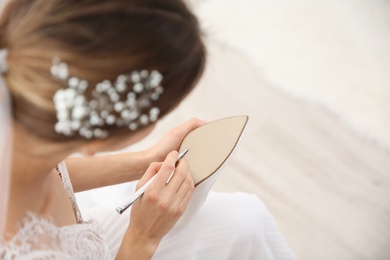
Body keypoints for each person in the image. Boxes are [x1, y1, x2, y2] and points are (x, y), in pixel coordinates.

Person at [0, 0, 295, 259]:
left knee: (243, 221)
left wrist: (145, 160)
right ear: (97, 138)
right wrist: (141, 240)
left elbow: (53, 170)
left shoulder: (21, 122)